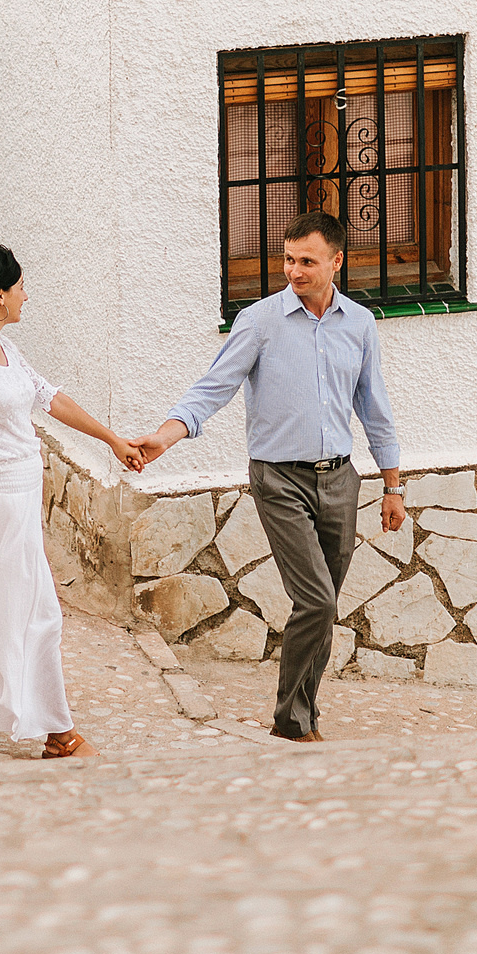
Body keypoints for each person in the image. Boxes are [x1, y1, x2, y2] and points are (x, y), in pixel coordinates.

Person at [132, 211, 402, 742]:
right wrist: (166, 436)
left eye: (307, 261)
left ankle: (302, 714)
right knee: (319, 601)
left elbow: (374, 407)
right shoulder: (259, 321)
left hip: (341, 480)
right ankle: (293, 722)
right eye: (288, 259)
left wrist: (393, 486)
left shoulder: (360, 324)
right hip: (279, 479)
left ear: (336, 262)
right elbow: (213, 387)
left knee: (321, 606)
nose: (294, 271)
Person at [0, 244, 144, 757]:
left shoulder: (8, 353)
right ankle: (58, 734)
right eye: (20, 288)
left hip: (20, 496)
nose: (25, 296)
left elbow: (50, 398)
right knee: (33, 612)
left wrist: (112, 440)